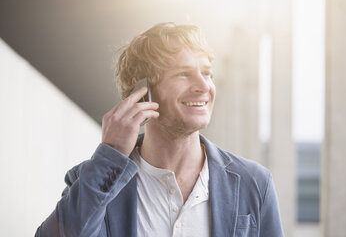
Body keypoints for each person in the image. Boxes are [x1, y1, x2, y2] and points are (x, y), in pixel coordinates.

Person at [35, 22, 284, 237]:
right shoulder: (97, 181)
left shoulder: (255, 183)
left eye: (207, 73)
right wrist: (111, 155)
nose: (203, 86)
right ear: (142, 89)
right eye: (184, 74)